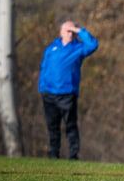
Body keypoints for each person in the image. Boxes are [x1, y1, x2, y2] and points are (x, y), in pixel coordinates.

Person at [38, 21, 99, 160]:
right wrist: (42, 87)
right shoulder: (51, 48)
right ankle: (53, 154)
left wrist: (79, 30)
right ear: (61, 33)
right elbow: (44, 67)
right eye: (67, 30)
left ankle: (73, 155)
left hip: (67, 94)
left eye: (72, 31)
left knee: (70, 126)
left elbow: (93, 45)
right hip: (49, 93)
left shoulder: (79, 48)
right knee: (53, 126)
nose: (69, 33)